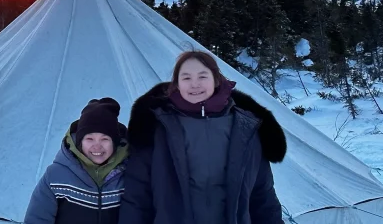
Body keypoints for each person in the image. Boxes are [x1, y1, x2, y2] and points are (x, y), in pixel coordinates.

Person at [118, 50, 288, 224]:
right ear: (176, 84)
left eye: (202, 76)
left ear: (216, 79)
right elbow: (137, 196)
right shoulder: (154, 127)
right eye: (186, 78)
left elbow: (262, 195)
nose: (195, 84)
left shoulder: (245, 128)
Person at [25, 98, 130, 224]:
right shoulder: (55, 177)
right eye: (89, 139)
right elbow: (37, 219)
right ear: (79, 143)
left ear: (115, 142)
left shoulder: (132, 174)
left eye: (104, 139)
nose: (97, 146)